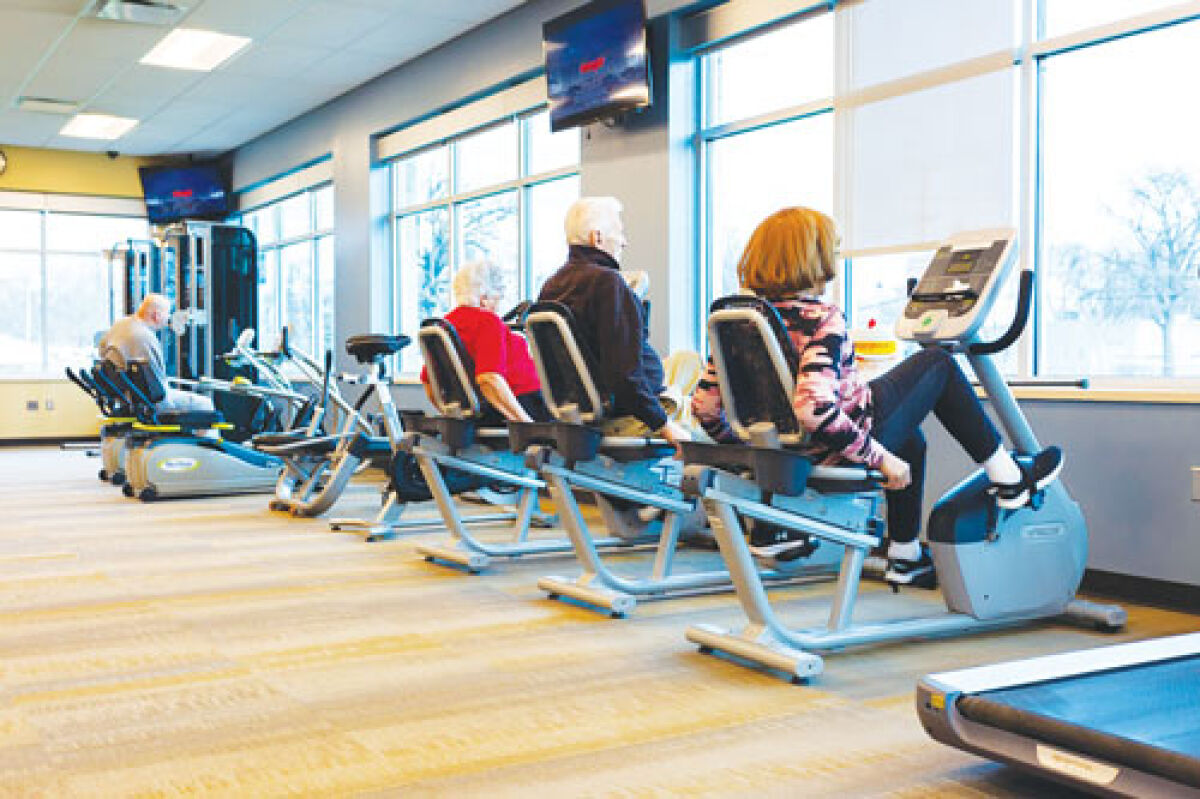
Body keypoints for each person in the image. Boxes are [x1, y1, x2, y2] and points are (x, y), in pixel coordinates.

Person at [690, 207, 1063, 588]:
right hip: (836, 442)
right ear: (811, 258)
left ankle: (905, 554)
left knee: (911, 438)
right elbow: (813, 408)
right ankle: (1010, 478)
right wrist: (879, 458)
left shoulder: (740, 320)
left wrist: (759, 453)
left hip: (787, 453)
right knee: (938, 363)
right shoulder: (821, 318)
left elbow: (704, 407)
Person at [538, 196, 690, 449]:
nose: (625, 241)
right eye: (620, 233)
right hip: (624, 413)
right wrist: (665, 425)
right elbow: (623, 374)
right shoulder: (608, 282)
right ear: (597, 238)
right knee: (694, 398)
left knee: (685, 361)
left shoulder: (550, 287)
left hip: (580, 405)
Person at [420, 260, 551, 424]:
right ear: (484, 299)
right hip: (523, 404)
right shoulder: (487, 321)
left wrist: (453, 415)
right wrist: (526, 424)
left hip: (491, 408)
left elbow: (429, 381)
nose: (499, 304)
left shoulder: (444, 325)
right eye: (498, 297)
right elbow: (489, 379)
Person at [99, 294, 215, 414]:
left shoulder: (119, 325)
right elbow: (157, 384)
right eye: (167, 314)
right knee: (205, 404)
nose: (168, 318)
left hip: (124, 397)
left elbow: (102, 352)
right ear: (156, 315)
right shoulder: (145, 337)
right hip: (147, 402)